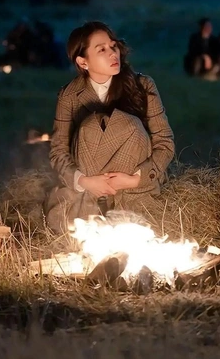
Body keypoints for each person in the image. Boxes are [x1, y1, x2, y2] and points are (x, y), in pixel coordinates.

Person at [46, 21, 175, 234]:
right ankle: (93, 213)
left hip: (134, 184)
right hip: (91, 184)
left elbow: (165, 142)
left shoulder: (143, 85)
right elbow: (58, 151)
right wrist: (85, 181)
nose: (113, 53)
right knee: (90, 127)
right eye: (102, 50)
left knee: (130, 124)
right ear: (83, 61)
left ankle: (125, 213)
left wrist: (136, 179)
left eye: (113, 46)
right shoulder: (69, 96)